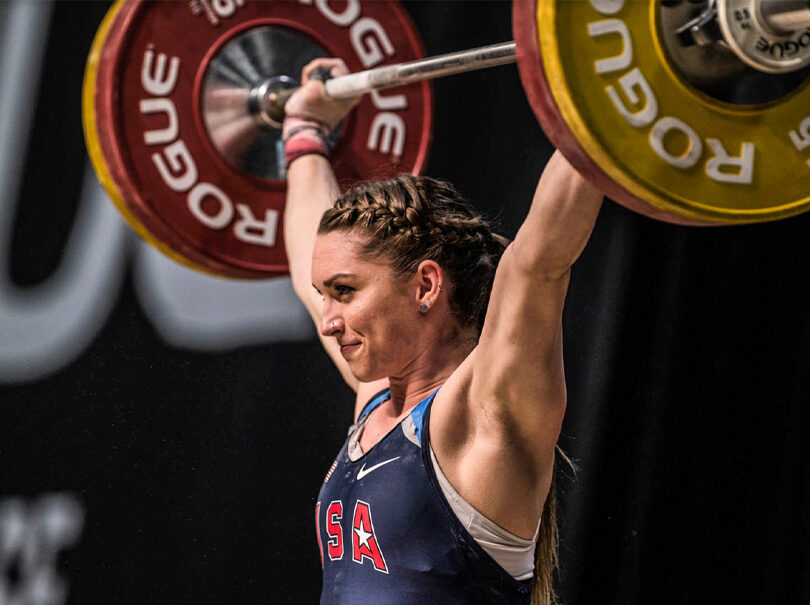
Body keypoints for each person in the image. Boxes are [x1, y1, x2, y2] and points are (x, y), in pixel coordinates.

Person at [282, 58, 603, 605]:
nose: (329, 320)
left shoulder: (485, 413)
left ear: (425, 285)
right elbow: (302, 258)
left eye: (345, 291)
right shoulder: (379, 402)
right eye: (324, 296)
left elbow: (539, 261)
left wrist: (612, 101)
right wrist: (304, 134)